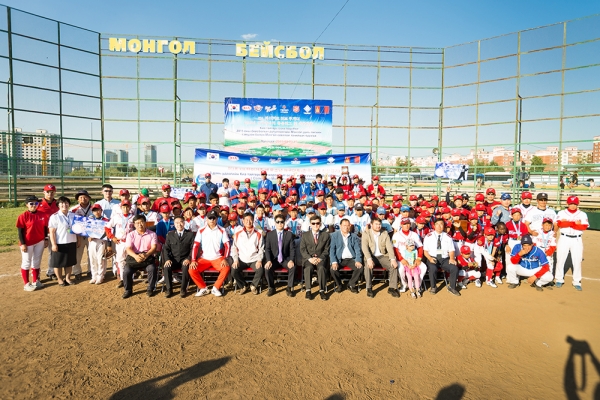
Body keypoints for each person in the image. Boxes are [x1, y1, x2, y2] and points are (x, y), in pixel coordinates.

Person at [189, 210, 231, 297]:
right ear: (206, 219)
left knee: (226, 268)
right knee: (192, 269)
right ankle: (203, 288)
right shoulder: (201, 230)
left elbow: (227, 245)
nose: (212, 220)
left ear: (217, 219)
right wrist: (193, 260)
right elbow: (195, 246)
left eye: (214, 218)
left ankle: (216, 288)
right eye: (210, 218)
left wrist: (225, 258)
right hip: (204, 258)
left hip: (217, 258)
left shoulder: (222, 230)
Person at [554, 196, 588, 291]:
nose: (573, 206)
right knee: (560, 258)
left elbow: (584, 227)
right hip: (564, 237)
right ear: (567, 203)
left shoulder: (582, 214)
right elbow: (560, 224)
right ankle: (559, 279)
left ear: (578, 204)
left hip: (577, 239)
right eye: (571, 203)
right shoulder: (561, 213)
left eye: (574, 204)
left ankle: (576, 281)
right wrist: (575, 224)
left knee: (577, 260)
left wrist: (568, 223)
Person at [16, 196, 49, 291]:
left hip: (40, 241)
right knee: (26, 262)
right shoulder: (23, 216)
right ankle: (26, 284)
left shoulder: (42, 214)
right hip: (28, 242)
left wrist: (46, 239)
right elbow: (20, 231)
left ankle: (35, 281)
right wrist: (23, 244)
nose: (34, 205)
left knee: (37, 261)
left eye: (36, 203)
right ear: (27, 205)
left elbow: (44, 228)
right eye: (31, 203)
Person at [122, 215, 159, 298]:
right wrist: (136, 256)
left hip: (147, 256)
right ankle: (128, 290)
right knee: (127, 271)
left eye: (142, 222)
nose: (140, 224)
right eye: (137, 223)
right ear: (134, 225)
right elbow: (128, 249)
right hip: (134, 257)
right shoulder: (130, 235)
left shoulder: (152, 234)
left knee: (152, 269)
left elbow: (154, 247)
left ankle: (150, 289)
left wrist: (146, 255)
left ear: (145, 223)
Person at [422, 219, 461, 296]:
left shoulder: (448, 237)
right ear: (434, 226)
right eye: (437, 224)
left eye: (441, 224)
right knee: (433, 268)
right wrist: (429, 258)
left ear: (444, 226)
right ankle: (433, 287)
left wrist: (452, 258)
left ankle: (452, 287)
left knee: (454, 268)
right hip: (432, 258)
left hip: (444, 259)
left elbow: (451, 250)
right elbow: (425, 251)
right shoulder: (428, 236)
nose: (439, 226)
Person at [230, 213, 265, 295]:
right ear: (243, 221)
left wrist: (259, 260)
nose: (248, 222)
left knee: (260, 270)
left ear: (253, 220)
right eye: (246, 220)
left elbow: (261, 248)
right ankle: (243, 285)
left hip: (254, 259)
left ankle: (253, 285)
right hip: (242, 259)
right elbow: (234, 247)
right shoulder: (238, 233)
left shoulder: (258, 233)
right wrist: (235, 260)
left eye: (250, 220)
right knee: (234, 271)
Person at [161, 216, 195, 298]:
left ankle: (183, 289)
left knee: (186, 267)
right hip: (174, 259)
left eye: (181, 222)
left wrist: (188, 259)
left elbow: (193, 249)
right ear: (174, 224)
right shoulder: (170, 235)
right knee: (167, 267)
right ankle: (169, 289)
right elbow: (166, 249)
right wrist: (167, 259)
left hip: (185, 259)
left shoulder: (190, 235)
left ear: (184, 223)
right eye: (176, 222)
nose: (179, 224)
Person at [48, 196, 78, 287]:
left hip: (72, 241)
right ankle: (60, 279)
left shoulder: (73, 215)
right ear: (58, 205)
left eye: (66, 203)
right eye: (62, 203)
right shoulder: (55, 217)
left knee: (69, 262)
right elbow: (52, 232)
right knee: (58, 263)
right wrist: (53, 244)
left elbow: (78, 229)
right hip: (60, 243)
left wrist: (78, 240)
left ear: (69, 204)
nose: (64, 205)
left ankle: (68, 278)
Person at [104, 200, 135, 287]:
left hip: (130, 243)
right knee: (120, 261)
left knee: (130, 260)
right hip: (120, 242)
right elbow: (107, 228)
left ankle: (130, 278)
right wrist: (112, 237)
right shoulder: (116, 217)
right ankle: (122, 279)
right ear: (121, 208)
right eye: (123, 207)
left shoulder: (133, 217)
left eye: (127, 206)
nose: (125, 208)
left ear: (130, 207)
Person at [264, 215, 297, 297]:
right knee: (267, 268)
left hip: (285, 259)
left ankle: (289, 287)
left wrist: (291, 260)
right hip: (274, 260)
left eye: (282, 222)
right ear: (275, 223)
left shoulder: (289, 234)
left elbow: (292, 249)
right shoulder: (270, 235)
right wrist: (268, 260)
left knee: (292, 267)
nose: (280, 223)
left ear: (284, 223)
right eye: (278, 222)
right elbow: (267, 249)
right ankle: (271, 287)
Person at [300, 215, 331, 301]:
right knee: (308, 268)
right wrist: (310, 258)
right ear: (310, 224)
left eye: (317, 223)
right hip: (308, 259)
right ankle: (308, 290)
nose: (315, 225)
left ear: (320, 224)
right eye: (313, 223)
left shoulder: (326, 235)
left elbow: (327, 249)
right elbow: (302, 249)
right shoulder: (305, 235)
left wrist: (320, 258)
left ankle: (322, 290)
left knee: (321, 268)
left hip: (321, 258)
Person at [329, 217, 363, 295]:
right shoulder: (334, 235)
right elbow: (332, 250)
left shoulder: (354, 236)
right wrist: (334, 261)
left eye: (348, 225)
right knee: (333, 270)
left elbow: (358, 250)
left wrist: (358, 260)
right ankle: (339, 285)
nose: (346, 227)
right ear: (340, 226)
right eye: (344, 225)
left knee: (360, 268)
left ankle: (351, 284)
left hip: (351, 259)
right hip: (339, 259)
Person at [37, 184, 59, 280]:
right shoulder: (37, 203)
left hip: (53, 232)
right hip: (40, 233)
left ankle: (51, 272)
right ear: (44, 192)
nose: (50, 194)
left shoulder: (58, 203)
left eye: (52, 192)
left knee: (52, 252)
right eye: (48, 192)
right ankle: (36, 274)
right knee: (37, 254)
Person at [71, 190, 93, 280]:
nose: (83, 199)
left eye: (85, 197)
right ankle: (77, 272)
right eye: (80, 197)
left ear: (88, 198)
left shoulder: (94, 208)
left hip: (91, 236)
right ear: (78, 199)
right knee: (77, 255)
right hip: (78, 236)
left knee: (91, 254)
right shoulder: (73, 209)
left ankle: (90, 270)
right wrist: (77, 236)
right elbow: (71, 225)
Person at [87, 203, 108, 285]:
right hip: (92, 241)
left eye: (98, 210)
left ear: (101, 210)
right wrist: (88, 236)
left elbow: (107, 232)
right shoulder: (90, 220)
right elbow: (86, 230)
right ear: (92, 212)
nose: (96, 212)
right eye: (94, 210)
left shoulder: (106, 220)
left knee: (100, 260)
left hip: (101, 241)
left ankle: (100, 276)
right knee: (92, 259)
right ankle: (94, 276)